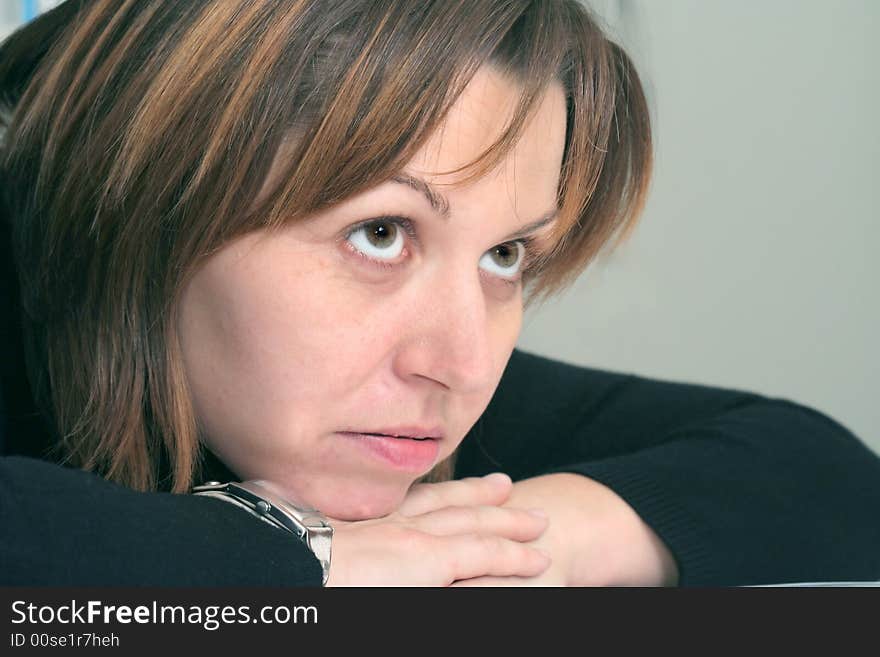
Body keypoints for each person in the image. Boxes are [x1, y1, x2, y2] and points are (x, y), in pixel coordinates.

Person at [1, 0, 878, 587]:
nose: (459, 363)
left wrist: (502, 545)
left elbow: (820, 472)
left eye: (506, 255)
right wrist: (305, 560)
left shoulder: (368, 394)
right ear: (149, 201)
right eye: (380, 233)